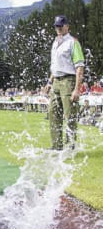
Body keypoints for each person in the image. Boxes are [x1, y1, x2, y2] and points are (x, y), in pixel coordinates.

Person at [46, 15, 85, 150]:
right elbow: (55, 66)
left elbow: (79, 66)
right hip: (56, 81)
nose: (58, 28)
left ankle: (70, 146)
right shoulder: (55, 43)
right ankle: (57, 146)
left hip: (69, 80)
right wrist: (49, 82)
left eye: (61, 26)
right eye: (56, 26)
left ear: (67, 26)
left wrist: (76, 89)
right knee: (52, 113)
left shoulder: (73, 42)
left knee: (70, 115)